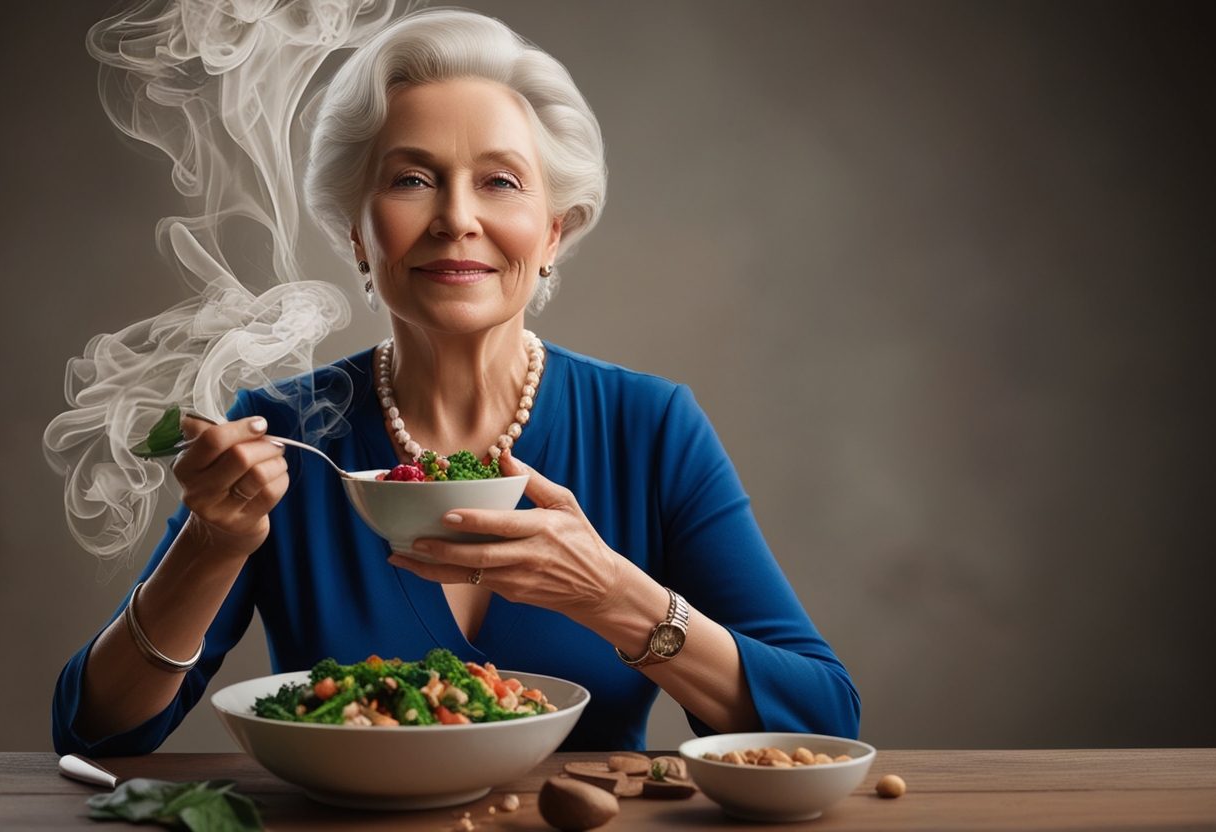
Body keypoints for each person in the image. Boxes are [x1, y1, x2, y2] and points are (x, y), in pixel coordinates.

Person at [53, 8, 859, 755]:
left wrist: (614, 595)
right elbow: (96, 734)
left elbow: (824, 717)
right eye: (411, 179)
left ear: (553, 232)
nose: (456, 218)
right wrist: (210, 545)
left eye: (500, 181)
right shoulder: (285, 433)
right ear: (357, 234)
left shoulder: (649, 427)